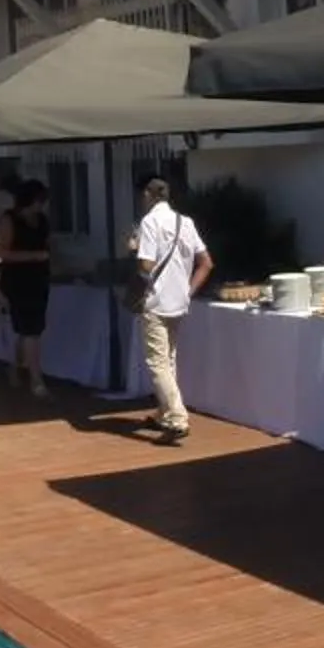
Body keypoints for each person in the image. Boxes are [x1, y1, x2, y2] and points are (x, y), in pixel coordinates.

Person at [132, 177, 213, 446]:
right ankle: (164, 411)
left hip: (156, 301)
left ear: (147, 195)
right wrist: (188, 291)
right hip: (178, 302)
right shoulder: (186, 222)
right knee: (169, 359)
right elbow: (206, 263)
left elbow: (146, 265)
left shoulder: (149, 223)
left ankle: (177, 418)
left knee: (158, 363)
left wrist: (133, 247)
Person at [0, 178, 56, 398]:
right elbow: (3, 253)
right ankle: (36, 379)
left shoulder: (42, 220)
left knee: (28, 330)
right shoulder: (9, 219)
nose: (41, 205)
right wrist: (34, 256)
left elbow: (48, 245)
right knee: (30, 329)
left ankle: (14, 368)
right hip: (17, 280)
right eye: (39, 200)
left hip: (39, 279)